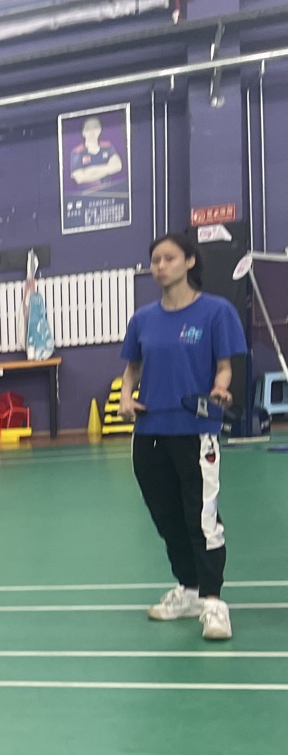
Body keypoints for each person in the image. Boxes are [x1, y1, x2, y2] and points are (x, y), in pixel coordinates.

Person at [119, 231, 247, 641]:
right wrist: (125, 397)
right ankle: (189, 589)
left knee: (202, 519)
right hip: (149, 434)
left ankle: (213, 603)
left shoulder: (216, 312)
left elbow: (224, 366)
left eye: (169, 258)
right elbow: (132, 370)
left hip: (195, 432)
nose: (160, 266)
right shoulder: (142, 320)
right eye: (155, 260)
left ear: (190, 262)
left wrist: (220, 387)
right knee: (167, 518)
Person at [69, 116, 124, 190]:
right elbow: (80, 178)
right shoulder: (77, 152)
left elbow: (117, 166)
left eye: (95, 127)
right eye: (88, 128)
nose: (92, 131)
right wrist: (108, 169)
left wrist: (91, 171)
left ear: (100, 130)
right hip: (86, 194)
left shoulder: (107, 146)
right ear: (83, 132)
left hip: (108, 192)